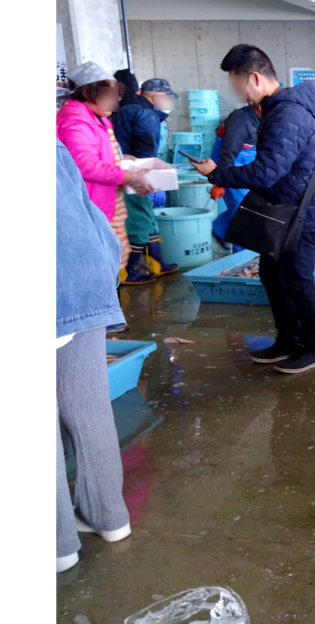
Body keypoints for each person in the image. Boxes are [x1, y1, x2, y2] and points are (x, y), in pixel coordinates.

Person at [191, 44, 315, 374]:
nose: (235, 91)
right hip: (284, 211)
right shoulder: (277, 110)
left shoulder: (288, 114)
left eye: (235, 82)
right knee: (273, 275)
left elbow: (266, 171)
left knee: (298, 281)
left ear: (253, 77)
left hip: (299, 214)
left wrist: (217, 173)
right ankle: (289, 339)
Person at [56, 139, 132, 572]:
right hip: (82, 277)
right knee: (90, 408)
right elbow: (90, 213)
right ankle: (109, 516)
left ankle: (58, 544)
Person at [56, 62, 154, 283]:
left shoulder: (97, 116)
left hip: (105, 201)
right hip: (89, 203)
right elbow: (85, 165)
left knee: (110, 263)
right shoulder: (76, 119)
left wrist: (120, 159)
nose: (116, 100)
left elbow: (98, 153)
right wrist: (130, 177)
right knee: (97, 270)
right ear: (90, 93)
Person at [111, 77, 181, 279]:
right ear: (158, 96)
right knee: (139, 219)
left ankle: (157, 262)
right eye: (168, 98)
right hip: (131, 176)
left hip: (124, 170)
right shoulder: (146, 115)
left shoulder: (129, 108)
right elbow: (145, 152)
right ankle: (129, 270)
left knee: (148, 218)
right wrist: (152, 179)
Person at [209, 104, 258, 251]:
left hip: (247, 162)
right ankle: (242, 256)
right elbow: (228, 154)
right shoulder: (242, 120)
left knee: (246, 208)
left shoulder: (270, 118)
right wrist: (220, 182)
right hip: (230, 163)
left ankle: (219, 229)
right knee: (243, 211)